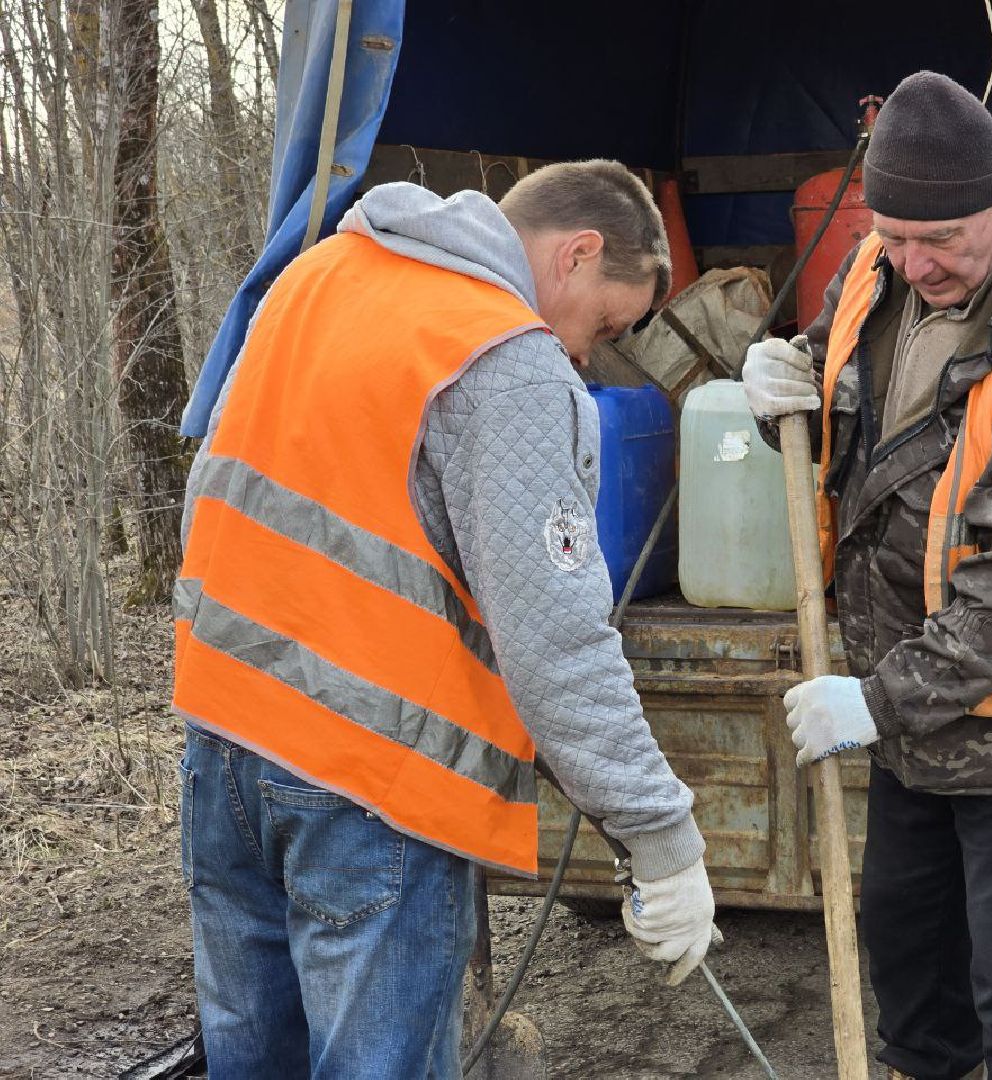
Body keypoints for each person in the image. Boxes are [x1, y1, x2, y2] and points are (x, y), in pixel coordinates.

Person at [172, 161, 715, 1079]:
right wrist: (661, 840)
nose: (586, 354)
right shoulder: (503, 356)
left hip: (222, 741)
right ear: (577, 255)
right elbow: (557, 642)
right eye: (605, 325)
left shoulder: (315, 276)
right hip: (371, 783)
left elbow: (211, 493)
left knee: (253, 1061)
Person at [743, 71, 992, 1080]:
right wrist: (779, 385)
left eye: (943, 240)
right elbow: (844, 410)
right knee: (913, 976)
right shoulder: (883, 266)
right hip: (912, 715)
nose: (914, 262)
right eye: (894, 234)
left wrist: (877, 702)